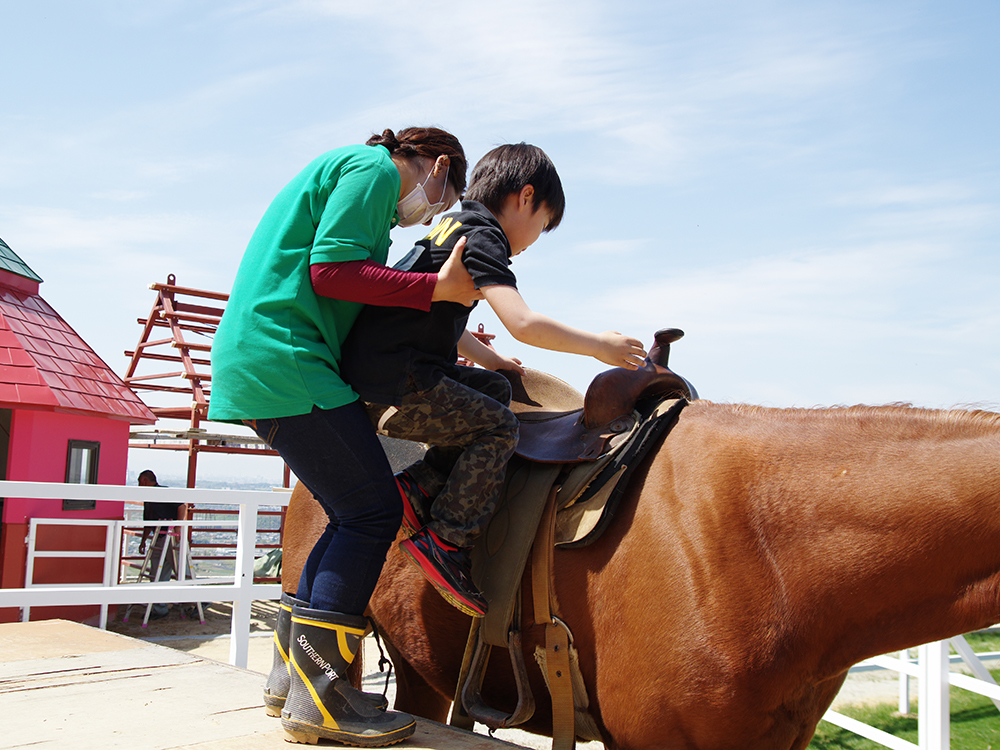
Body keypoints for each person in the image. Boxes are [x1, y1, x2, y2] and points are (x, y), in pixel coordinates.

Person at [208, 127, 480, 747]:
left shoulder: (349, 179)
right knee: (370, 512)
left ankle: (292, 676)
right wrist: (437, 288)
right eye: (441, 197)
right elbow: (332, 272)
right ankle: (323, 699)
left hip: (267, 358)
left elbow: (359, 292)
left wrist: (461, 344)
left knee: (344, 512)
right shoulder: (375, 170)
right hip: (287, 359)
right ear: (435, 165)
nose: (430, 213)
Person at [339, 143, 647, 619]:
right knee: (499, 426)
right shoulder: (484, 236)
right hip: (398, 382)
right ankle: (446, 540)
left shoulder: (450, 225)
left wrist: (491, 360)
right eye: (542, 226)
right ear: (525, 197)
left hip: (383, 370)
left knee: (495, 390)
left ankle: (419, 488)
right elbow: (522, 322)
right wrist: (598, 346)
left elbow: (438, 314)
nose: (533, 241)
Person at [137, 469, 189, 620]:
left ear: (144, 481)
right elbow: (148, 522)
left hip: (171, 537)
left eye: (140, 482)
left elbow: (182, 506)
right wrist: (143, 540)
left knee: (182, 571)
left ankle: (202, 600)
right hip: (159, 538)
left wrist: (178, 528)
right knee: (157, 573)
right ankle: (159, 608)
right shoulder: (149, 498)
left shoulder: (163, 492)